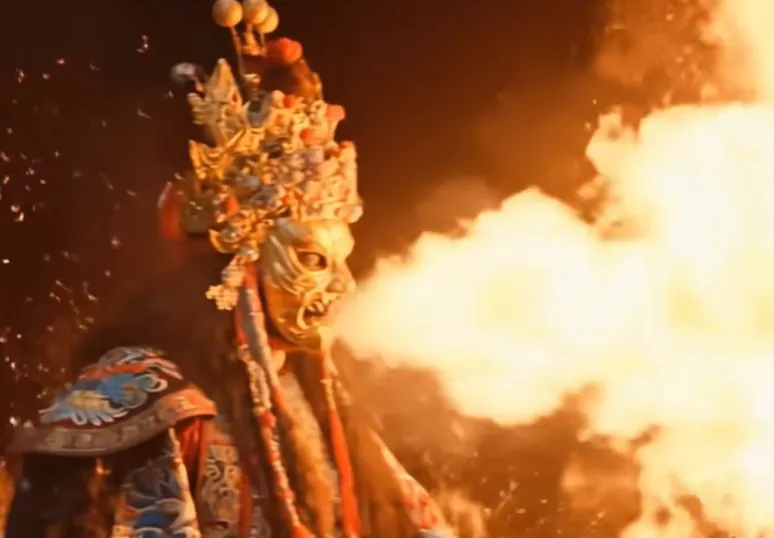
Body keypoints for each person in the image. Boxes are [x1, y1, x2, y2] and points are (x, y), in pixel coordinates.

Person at [0, 1, 451, 536]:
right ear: (242, 260)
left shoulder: (318, 402)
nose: (341, 284)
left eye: (341, 260)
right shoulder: (139, 393)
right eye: (312, 260)